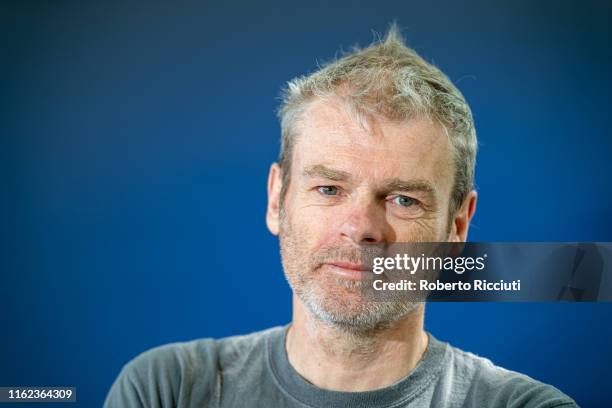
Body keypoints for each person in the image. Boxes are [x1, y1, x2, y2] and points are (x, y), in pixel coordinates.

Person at [104, 25, 578, 408]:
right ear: (277, 198)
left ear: (457, 227)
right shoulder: (167, 390)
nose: (361, 228)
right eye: (329, 188)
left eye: (403, 200)